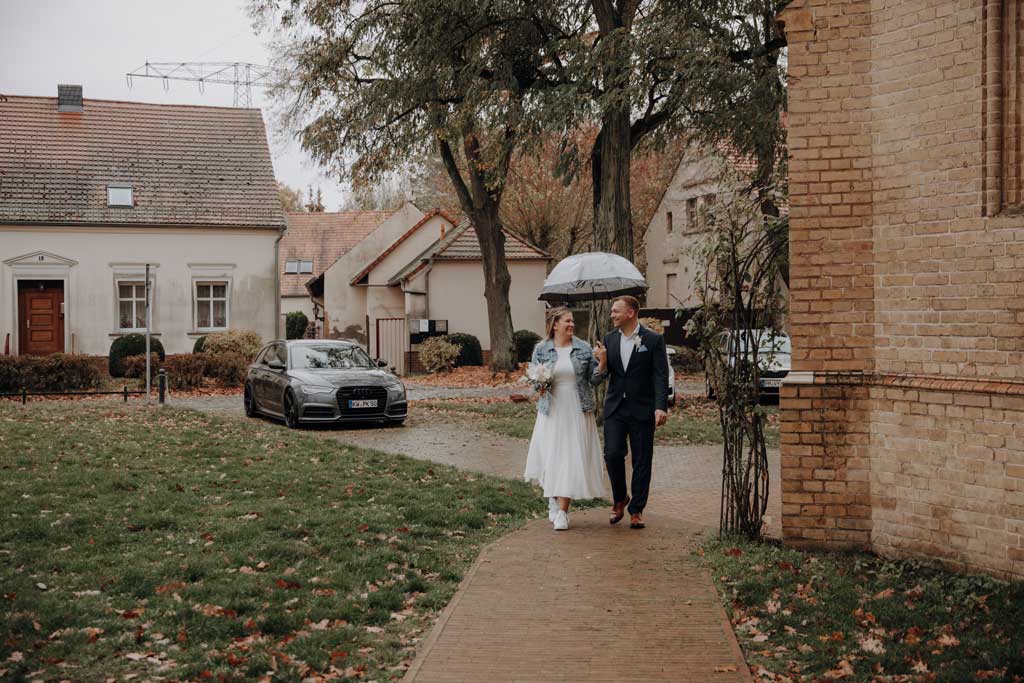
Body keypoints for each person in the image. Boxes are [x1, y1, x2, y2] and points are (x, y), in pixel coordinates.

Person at [524, 306, 607, 531]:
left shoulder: (583, 348)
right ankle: (552, 496)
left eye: (572, 321)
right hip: (552, 410)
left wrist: (601, 362)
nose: (571, 325)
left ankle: (562, 511)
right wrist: (539, 387)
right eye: (567, 321)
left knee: (570, 457)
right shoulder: (541, 349)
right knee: (553, 456)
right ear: (555, 325)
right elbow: (533, 379)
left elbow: (595, 380)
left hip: (577, 408)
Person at [592, 296, 670, 529]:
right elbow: (602, 376)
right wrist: (602, 362)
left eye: (616, 311)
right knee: (613, 454)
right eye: (612, 311)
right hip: (616, 407)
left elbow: (660, 375)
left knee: (642, 460)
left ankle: (636, 509)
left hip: (642, 408)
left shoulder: (653, 340)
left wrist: (660, 406)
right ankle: (619, 498)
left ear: (631, 313)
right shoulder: (608, 339)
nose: (612, 315)